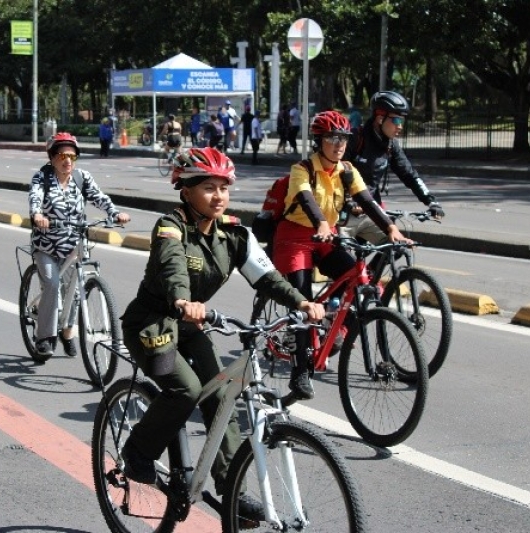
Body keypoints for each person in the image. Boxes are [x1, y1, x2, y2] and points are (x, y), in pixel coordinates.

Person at [117, 146, 324, 521]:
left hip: (192, 324)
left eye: (224, 188)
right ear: (186, 191)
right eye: (209, 188)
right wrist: (183, 300)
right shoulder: (170, 227)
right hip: (153, 323)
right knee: (186, 390)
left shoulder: (234, 233)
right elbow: (173, 266)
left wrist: (301, 302)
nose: (219, 196)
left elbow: (267, 276)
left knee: (222, 393)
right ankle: (137, 453)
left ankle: (232, 491)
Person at [271, 110, 413, 399]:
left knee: (357, 282)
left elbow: (367, 200)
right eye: (332, 138)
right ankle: (300, 373)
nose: (339, 144)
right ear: (318, 140)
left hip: (327, 237)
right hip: (295, 238)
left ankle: (335, 328)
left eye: (344, 139)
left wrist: (390, 228)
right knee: (303, 304)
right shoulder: (302, 169)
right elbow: (305, 198)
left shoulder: (347, 170)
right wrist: (321, 223)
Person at [28, 132, 130, 357]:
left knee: (74, 291)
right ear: (52, 157)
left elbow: (99, 197)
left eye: (72, 157)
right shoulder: (42, 177)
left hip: (73, 244)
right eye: (62, 156)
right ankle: (44, 337)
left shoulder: (81, 177)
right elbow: (35, 197)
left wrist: (114, 213)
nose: (67, 161)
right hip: (46, 245)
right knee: (52, 285)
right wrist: (37, 215)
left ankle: (67, 333)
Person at [343, 91, 445, 244]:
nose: (400, 126)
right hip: (345, 211)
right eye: (396, 120)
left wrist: (431, 201)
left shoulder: (390, 145)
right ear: (379, 118)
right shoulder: (354, 140)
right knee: (344, 255)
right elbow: (334, 175)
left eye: (402, 120)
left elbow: (409, 175)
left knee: (397, 246)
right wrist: (349, 201)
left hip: (372, 208)